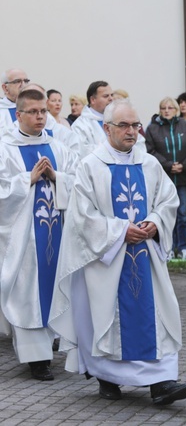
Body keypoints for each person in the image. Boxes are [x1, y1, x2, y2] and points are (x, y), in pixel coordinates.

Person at [48, 99, 186, 404]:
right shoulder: (90, 165)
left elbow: (167, 201)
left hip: (146, 256)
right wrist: (118, 231)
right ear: (106, 128)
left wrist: (154, 223)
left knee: (156, 314)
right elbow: (81, 216)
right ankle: (108, 377)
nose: (132, 132)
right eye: (124, 126)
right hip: (107, 260)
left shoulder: (149, 163)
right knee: (105, 318)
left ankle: (162, 381)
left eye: (135, 125)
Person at [0, 88, 78, 380]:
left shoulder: (58, 148)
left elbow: (78, 182)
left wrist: (57, 178)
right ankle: (37, 359)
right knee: (27, 291)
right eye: (33, 112)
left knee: (54, 284)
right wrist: (26, 180)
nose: (40, 117)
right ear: (18, 114)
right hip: (22, 240)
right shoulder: (4, 148)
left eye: (43, 111)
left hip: (55, 234)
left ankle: (53, 343)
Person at [145, 97, 186, 260]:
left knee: (183, 213)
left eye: (170, 108)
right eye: (163, 108)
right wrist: (169, 165)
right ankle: (167, 248)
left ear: (176, 110)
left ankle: (183, 248)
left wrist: (183, 165)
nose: (167, 110)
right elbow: (150, 151)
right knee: (164, 213)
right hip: (163, 178)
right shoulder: (153, 128)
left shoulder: (185, 126)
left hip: (183, 177)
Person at [71, 81, 115, 158]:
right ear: (93, 100)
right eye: (106, 96)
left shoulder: (117, 120)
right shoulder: (80, 125)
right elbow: (81, 152)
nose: (111, 98)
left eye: (112, 95)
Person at [0, 68, 30, 133]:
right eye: (17, 81)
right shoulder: (1, 110)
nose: (24, 85)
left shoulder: (37, 107)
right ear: (5, 88)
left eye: (26, 81)